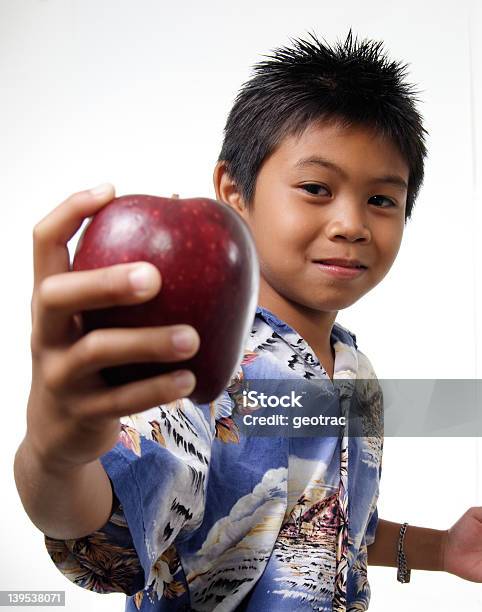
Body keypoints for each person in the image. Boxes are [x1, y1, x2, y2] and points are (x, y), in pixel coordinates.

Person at [13, 30, 482, 612]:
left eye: (381, 200)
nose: (351, 224)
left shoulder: (357, 371)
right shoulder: (192, 360)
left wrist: (441, 549)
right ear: (234, 191)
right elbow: (109, 524)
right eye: (316, 188)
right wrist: (56, 455)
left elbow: (320, 525)